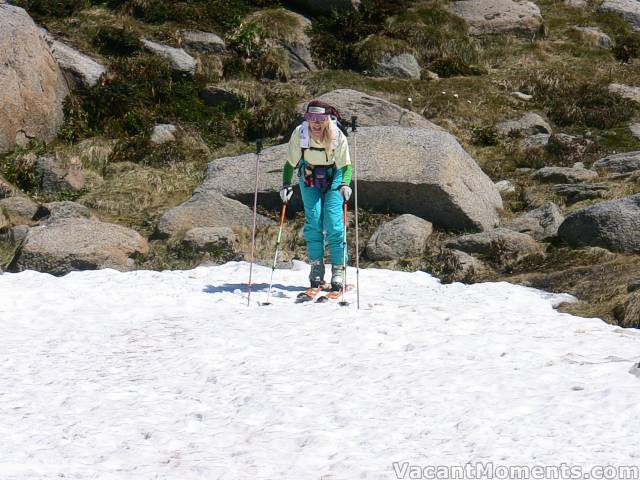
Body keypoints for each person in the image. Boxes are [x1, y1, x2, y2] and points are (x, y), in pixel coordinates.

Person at [279, 100, 353, 291]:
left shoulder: (337, 136)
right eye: (311, 118)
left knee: (333, 222)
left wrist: (345, 184)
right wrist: (286, 185)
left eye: (320, 118)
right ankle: (316, 268)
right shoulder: (300, 134)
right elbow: (290, 163)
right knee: (313, 221)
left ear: (328, 118)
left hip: (334, 176)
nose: (316, 123)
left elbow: (345, 166)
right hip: (308, 175)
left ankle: (338, 269)